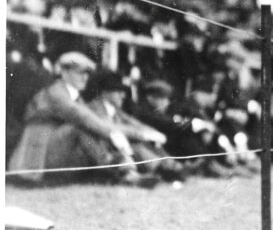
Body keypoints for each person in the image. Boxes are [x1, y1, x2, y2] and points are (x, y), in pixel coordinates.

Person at [8, 51, 150, 186]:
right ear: (64, 72)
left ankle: (124, 169)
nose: (85, 78)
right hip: (37, 154)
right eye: (80, 73)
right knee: (79, 127)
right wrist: (121, 134)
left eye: (87, 74)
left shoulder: (77, 98)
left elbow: (97, 121)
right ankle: (118, 169)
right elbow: (85, 118)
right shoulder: (56, 93)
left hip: (56, 151)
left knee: (89, 131)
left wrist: (129, 134)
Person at [85, 70, 183, 183]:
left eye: (123, 91)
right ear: (104, 93)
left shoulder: (115, 110)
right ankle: (164, 171)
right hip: (104, 154)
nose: (123, 96)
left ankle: (173, 167)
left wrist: (152, 133)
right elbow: (111, 128)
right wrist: (144, 135)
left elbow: (134, 123)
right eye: (118, 91)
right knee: (138, 146)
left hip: (119, 150)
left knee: (146, 142)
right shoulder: (94, 108)